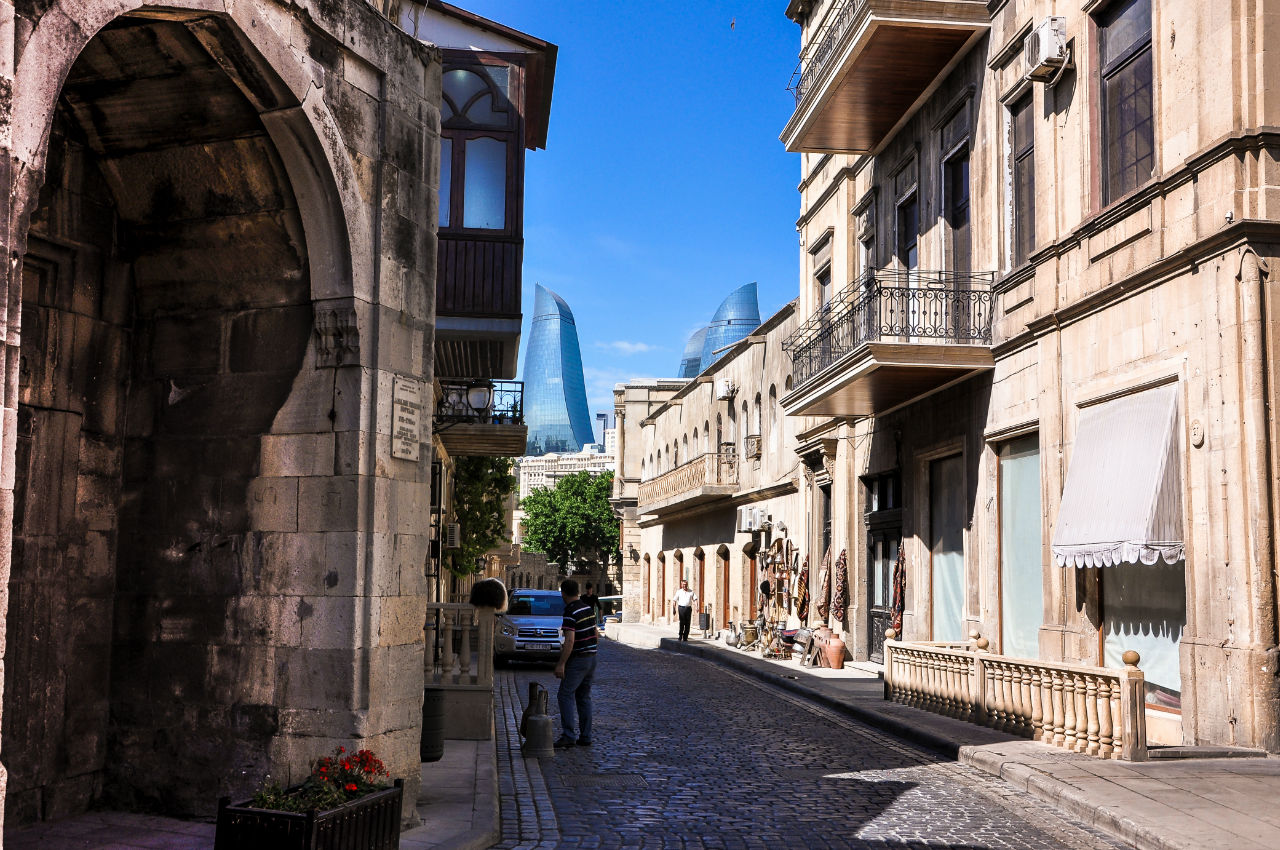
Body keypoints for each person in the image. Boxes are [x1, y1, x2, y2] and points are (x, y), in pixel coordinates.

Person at [553, 578, 598, 748]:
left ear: (563, 593)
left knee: (564, 695)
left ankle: (569, 735)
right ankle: (586, 736)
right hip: (591, 658)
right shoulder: (587, 608)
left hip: (578, 659)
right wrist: (592, 652)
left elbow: (570, 641)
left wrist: (561, 664)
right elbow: (595, 634)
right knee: (584, 697)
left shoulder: (570, 612)